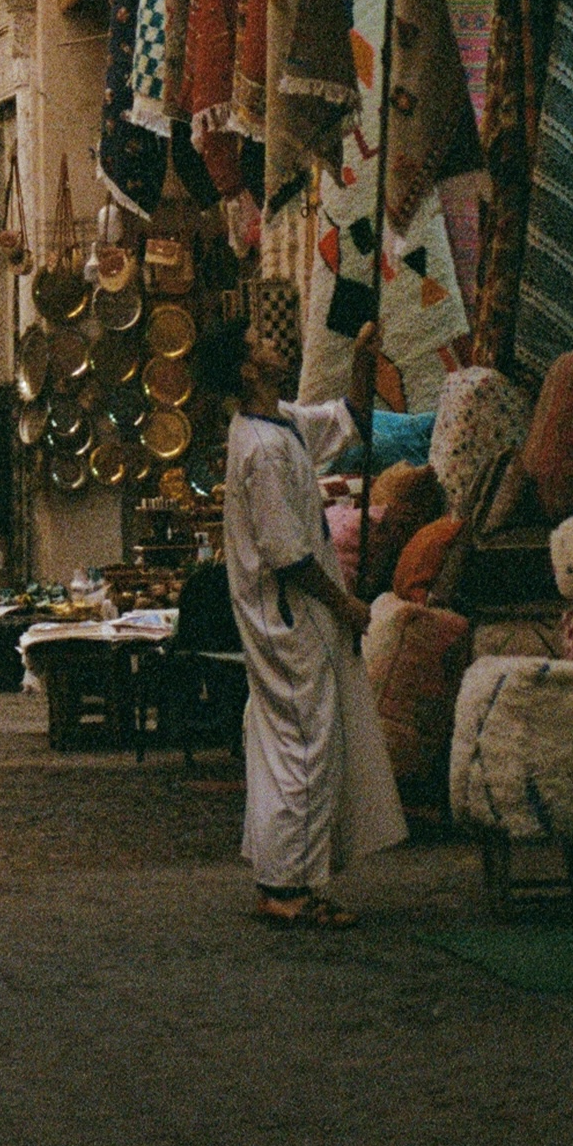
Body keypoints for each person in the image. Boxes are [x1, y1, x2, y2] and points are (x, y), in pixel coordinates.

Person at [192, 319, 405, 928]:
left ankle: (282, 877)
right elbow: (287, 554)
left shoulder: (278, 422)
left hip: (289, 613)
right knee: (307, 742)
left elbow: (347, 419)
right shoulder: (261, 448)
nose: (272, 344)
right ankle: (290, 886)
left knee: (285, 740)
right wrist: (345, 606)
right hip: (287, 617)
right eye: (259, 342)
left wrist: (361, 361)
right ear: (247, 369)